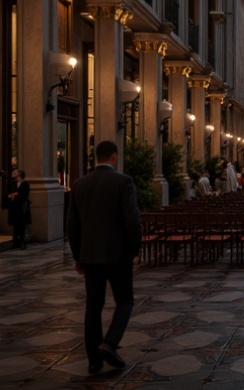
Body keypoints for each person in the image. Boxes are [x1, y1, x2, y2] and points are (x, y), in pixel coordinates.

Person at [67, 140, 142, 375]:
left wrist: (78, 255)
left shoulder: (79, 185)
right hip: (118, 254)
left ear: (95, 157)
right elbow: (132, 220)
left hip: (90, 256)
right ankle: (109, 344)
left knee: (93, 306)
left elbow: (72, 224)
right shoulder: (123, 182)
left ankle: (93, 361)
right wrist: (135, 249)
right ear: (114, 157)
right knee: (125, 301)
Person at [6, 169, 31, 249]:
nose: (14, 174)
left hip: (22, 207)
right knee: (15, 225)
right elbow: (9, 193)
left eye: (16, 173)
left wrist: (16, 195)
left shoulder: (25, 184)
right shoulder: (13, 183)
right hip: (14, 207)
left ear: (19, 175)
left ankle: (22, 241)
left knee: (22, 225)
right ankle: (15, 242)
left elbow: (24, 194)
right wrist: (13, 195)